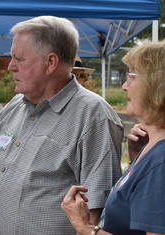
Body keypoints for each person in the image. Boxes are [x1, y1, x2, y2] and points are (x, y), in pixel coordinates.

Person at [0, 16, 123, 234]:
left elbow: (91, 216)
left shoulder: (94, 117)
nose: (10, 66)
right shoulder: (15, 106)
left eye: (18, 58)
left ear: (51, 62)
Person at [61, 41, 165, 235]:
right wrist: (137, 155)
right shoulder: (153, 147)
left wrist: (84, 227)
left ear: (154, 85)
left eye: (131, 77)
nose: (124, 86)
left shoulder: (161, 161)